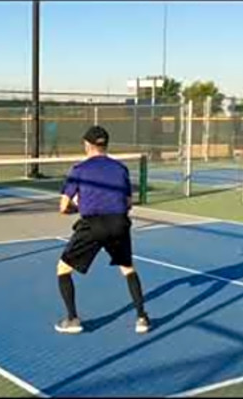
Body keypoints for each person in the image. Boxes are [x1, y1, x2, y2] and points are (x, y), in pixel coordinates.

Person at [54, 125, 150, 335]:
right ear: (105, 144)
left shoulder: (79, 170)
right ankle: (142, 318)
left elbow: (63, 207)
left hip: (93, 225)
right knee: (128, 269)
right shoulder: (121, 169)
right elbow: (128, 203)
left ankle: (72, 319)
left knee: (62, 269)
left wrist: (79, 206)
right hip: (119, 223)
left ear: (87, 145)